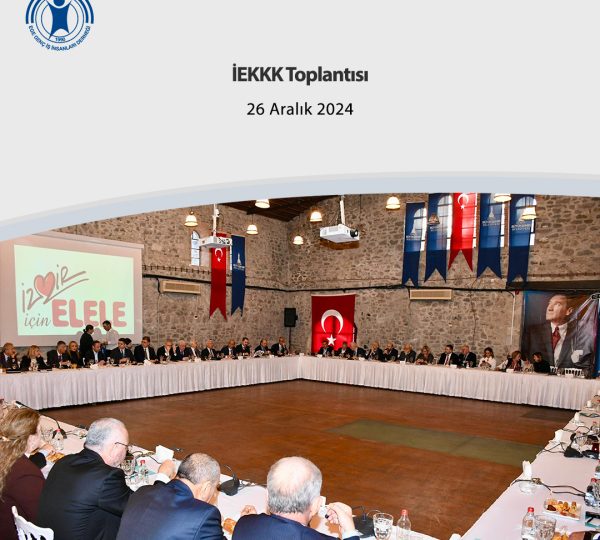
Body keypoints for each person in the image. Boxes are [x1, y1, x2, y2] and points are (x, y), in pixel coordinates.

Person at [37, 417, 174, 540]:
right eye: (126, 447)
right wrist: (161, 477)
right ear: (116, 447)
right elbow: (141, 509)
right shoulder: (106, 477)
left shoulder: (64, 461)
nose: (126, 452)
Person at [233, 456, 359, 540]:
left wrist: (252, 520)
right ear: (316, 505)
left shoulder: (243, 524)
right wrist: (349, 531)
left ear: (267, 496)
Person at [116, 453, 232, 540]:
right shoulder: (205, 514)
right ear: (206, 487)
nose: (214, 494)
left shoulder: (142, 491)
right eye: (214, 489)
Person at [0, 407, 47, 540]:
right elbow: (40, 517)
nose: (41, 435)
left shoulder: (6, 456)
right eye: (40, 431)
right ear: (31, 438)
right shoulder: (26, 474)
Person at [523, 293, 595, 371]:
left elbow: (586, 363)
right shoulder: (532, 332)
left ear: (568, 311)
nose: (549, 308)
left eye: (557, 304)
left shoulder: (581, 334)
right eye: (549, 303)